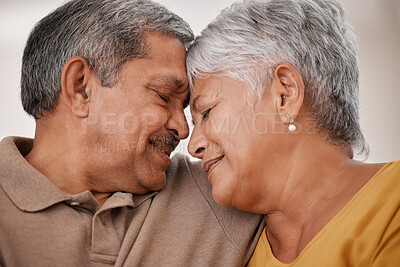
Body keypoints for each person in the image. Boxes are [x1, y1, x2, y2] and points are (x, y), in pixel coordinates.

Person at [0, 0, 264, 266]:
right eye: (163, 96)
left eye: (185, 107)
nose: (183, 130)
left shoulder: (222, 189)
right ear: (80, 88)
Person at [186, 0, 400, 266]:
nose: (192, 145)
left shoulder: (393, 201)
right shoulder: (229, 253)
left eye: (206, 112)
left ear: (285, 94)